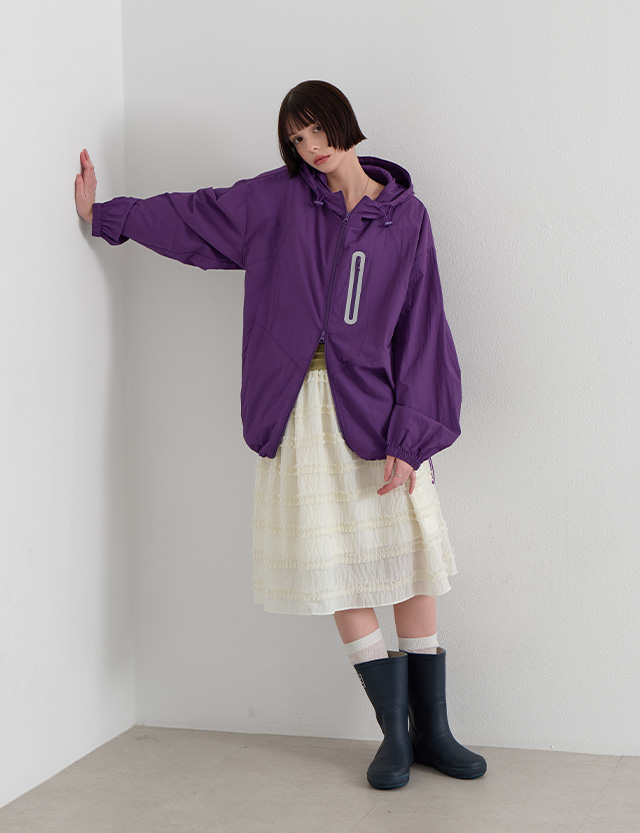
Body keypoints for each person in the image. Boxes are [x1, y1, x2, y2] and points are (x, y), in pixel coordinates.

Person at [75, 79, 487, 790]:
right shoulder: (277, 201)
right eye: (296, 139)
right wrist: (104, 214)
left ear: (344, 123)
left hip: (381, 411)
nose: (311, 147)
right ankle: (395, 734)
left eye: (317, 130)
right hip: (302, 406)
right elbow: (194, 216)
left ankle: (436, 733)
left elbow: (424, 326)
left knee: (411, 555)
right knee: (339, 562)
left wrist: (411, 434)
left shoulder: (405, 217)